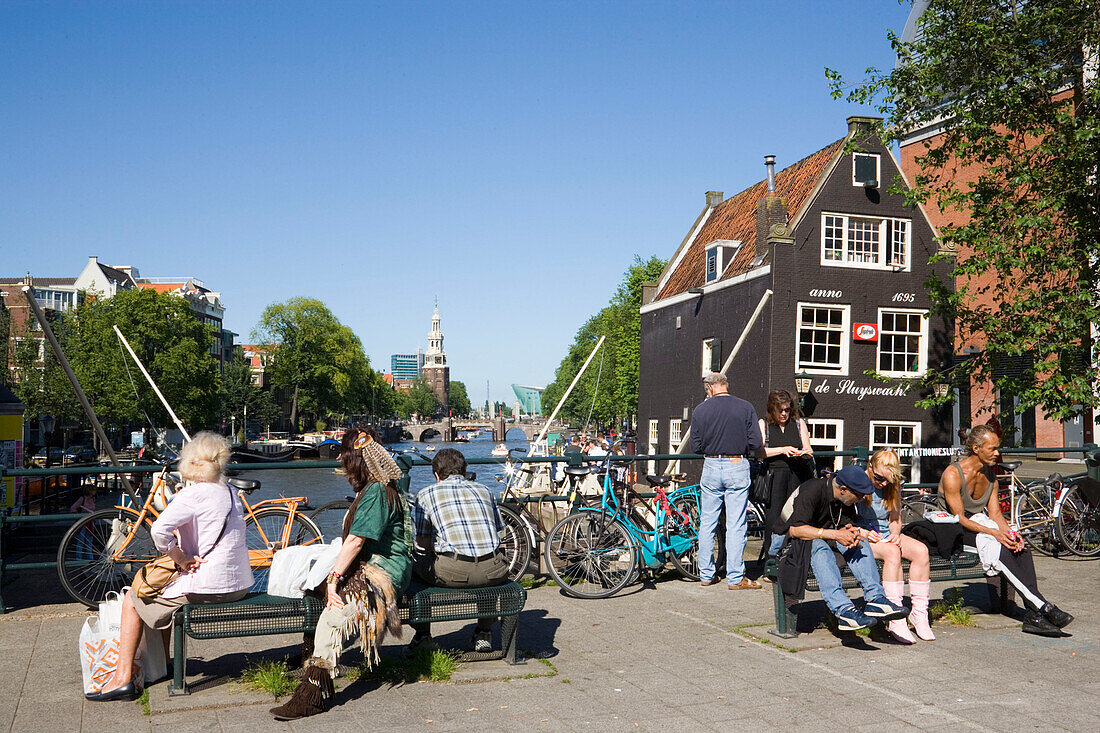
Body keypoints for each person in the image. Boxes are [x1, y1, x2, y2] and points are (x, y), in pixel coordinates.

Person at [86, 432, 253, 702]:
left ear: (190, 462)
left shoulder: (193, 494)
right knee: (166, 589)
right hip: (240, 585)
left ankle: (122, 678)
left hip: (210, 586)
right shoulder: (231, 492)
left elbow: (159, 531)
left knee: (132, 598)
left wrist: (180, 557)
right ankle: (164, 665)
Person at [271, 427, 412, 720]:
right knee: (313, 584)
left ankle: (313, 694)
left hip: (383, 571)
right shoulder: (377, 486)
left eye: (344, 456)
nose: (340, 462)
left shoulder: (375, 492)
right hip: (374, 563)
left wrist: (335, 580)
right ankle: (310, 657)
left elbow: (357, 540)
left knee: (334, 617)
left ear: (356, 459)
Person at [936, 425, 1073, 637]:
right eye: (992, 449)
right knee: (996, 547)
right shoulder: (953, 474)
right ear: (976, 448)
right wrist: (995, 534)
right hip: (951, 530)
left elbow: (996, 515)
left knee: (1019, 547)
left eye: (997, 448)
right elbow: (959, 518)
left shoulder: (990, 477)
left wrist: (1011, 534)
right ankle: (1043, 607)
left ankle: (1032, 614)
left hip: (977, 525)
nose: (997, 453)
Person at [778, 465, 909, 631]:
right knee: (820, 549)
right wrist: (835, 534)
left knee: (859, 541)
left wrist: (851, 532)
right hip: (795, 541)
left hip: (826, 535)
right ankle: (843, 610)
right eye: (859, 496)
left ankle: (876, 598)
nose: (861, 499)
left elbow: (845, 524)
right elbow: (795, 530)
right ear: (843, 489)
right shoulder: (812, 490)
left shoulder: (845, 499)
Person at [409, 448, 508, 652]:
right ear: (464, 471)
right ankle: (484, 633)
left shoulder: (426, 494)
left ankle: (423, 635)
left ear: (436, 475)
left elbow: (423, 544)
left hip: (453, 572)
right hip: (494, 570)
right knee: (485, 571)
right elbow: (498, 528)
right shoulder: (484, 490)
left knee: (413, 564)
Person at [690, 372, 765, 589]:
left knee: (707, 523)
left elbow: (696, 446)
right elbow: (755, 442)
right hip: (736, 464)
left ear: (710, 388)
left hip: (711, 465)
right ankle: (735, 578)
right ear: (724, 385)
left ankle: (706, 574)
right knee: (736, 523)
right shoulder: (745, 407)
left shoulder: (700, 410)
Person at [856, 450, 934, 643]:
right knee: (892, 552)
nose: (883, 483)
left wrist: (896, 533)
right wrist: (864, 533)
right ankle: (894, 616)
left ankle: (919, 614)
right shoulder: (857, 482)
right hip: (862, 535)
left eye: (887, 480)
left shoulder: (892, 486)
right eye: (879, 478)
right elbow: (845, 520)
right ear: (870, 467)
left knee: (921, 551)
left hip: (884, 534)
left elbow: (895, 518)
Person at [758, 389, 813, 560]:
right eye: (780, 410)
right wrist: (782, 450)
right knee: (774, 518)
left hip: (797, 474)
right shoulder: (764, 424)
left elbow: (809, 449)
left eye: (787, 410)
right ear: (772, 409)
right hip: (775, 476)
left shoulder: (798, 423)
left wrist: (803, 453)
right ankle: (771, 560)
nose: (784, 414)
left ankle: (793, 559)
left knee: (796, 516)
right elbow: (759, 452)